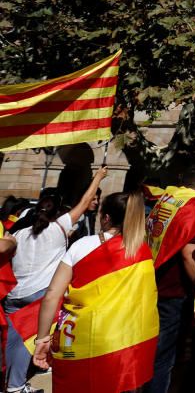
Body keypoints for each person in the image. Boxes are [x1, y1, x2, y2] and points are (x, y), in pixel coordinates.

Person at [32, 191, 159, 393]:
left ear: (106, 218)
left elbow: (52, 295)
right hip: (121, 342)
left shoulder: (82, 245)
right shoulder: (141, 251)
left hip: (77, 336)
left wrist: (42, 339)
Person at [2, 167, 106, 393]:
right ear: (58, 212)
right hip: (38, 295)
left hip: (14, 295)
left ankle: (8, 383)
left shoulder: (19, 234)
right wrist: (97, 177)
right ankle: (16, 387)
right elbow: (85, 201)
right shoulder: (58, 229)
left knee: (9, 341)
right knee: (27, 344)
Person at [146, 166, 195, 393]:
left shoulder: (168, 198)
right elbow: (188, 252)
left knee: (151, 346)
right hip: (174, 290)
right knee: (164, 355)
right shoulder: (193, 206)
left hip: (153, 281)